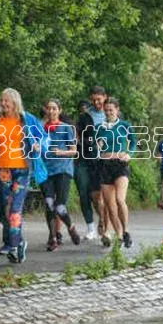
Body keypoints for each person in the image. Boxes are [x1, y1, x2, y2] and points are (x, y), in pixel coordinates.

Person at [0, 88, 47, 263]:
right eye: (1, 100)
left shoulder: (27, 119)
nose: (3, 104)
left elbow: (43, 138)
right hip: (2, 169)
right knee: (4, 208)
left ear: (15, 102)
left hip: (21, 169)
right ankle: (18, 243)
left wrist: (38, 145)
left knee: (15, 210)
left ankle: (13, 246)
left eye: (6, 101)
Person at [95, 98, 136, 248]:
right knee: (109, 204)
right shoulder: (100, 127)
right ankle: (118, 233)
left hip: (120, 164)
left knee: (119, 199)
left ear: (117, 110)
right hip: (105, 165)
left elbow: (133, 142)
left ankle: (126, 231)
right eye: (106, 110)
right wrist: (98, 145)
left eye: (111, 110)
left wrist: (129, 154)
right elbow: (97, 144)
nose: (108, 112)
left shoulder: (124, 125)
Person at [40, 99, 80, 251]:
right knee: (49, 204)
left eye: (54, 108)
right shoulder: (41, 129)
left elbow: (74, 150)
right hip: (45, 171)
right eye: (49, 108)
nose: (51, 111)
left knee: (60, 206)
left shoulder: (66, 128)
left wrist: (61, 152)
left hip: (63, 170)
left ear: (59, 111)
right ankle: (53, 238)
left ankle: (71, 227)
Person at [75, 86, 107, 241]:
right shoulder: (84, 116)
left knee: (98, 197)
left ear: (104, 98)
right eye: (93, 100)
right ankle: (90, 228)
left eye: (98, 99)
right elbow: (77, 134)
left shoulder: (111, 115)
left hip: (101, 161)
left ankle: (103, 222)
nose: (96, 102)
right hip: (83, 159)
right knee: (83, 193)